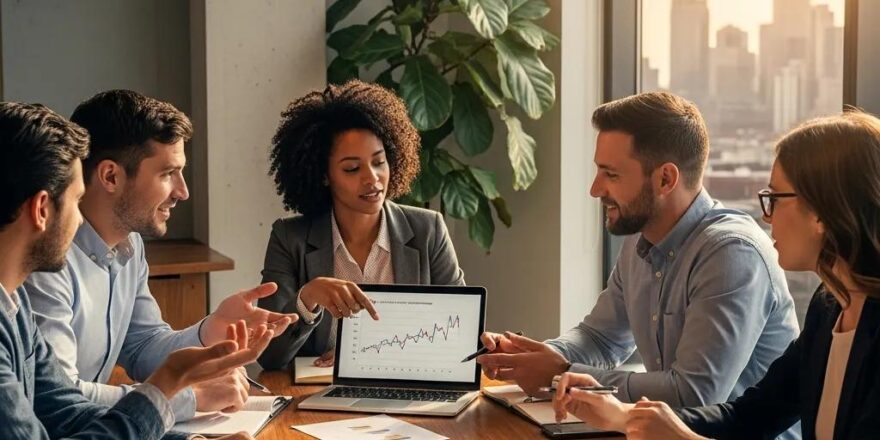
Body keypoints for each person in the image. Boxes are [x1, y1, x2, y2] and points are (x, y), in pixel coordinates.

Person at [552, 110, 880, 440]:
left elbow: (699, 394)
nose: (767, 219)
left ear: (821, 211)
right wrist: (623, 414)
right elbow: (750, 415)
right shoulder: (830, 307)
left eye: (775, 199)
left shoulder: (735, 251)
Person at [477, 92, 799, 410]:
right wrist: (527, 358)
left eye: (611, 175)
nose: (595, 189)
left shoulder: (731, 255)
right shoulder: (640, 240)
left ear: (665, 179)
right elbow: (600, 339)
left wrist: (562, 374)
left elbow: (695, 395)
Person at [25, 90, 297, 422]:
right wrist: (187, 399)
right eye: (168, 173)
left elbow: (142, 346)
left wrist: (211, 330)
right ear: (111, 176)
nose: (182, 191)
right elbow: (60, 397)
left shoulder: (130, 244)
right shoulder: (46, 259)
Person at [256, 80, 465, 370]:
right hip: (317, 397)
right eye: (352, 169)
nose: (372, 178)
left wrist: (368, 356)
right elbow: (269, 356)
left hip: (404, 388)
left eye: (379, 162)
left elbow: (459, 336)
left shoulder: (428, 230)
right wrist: (307, 298)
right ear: (324, 175)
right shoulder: (289, 238)